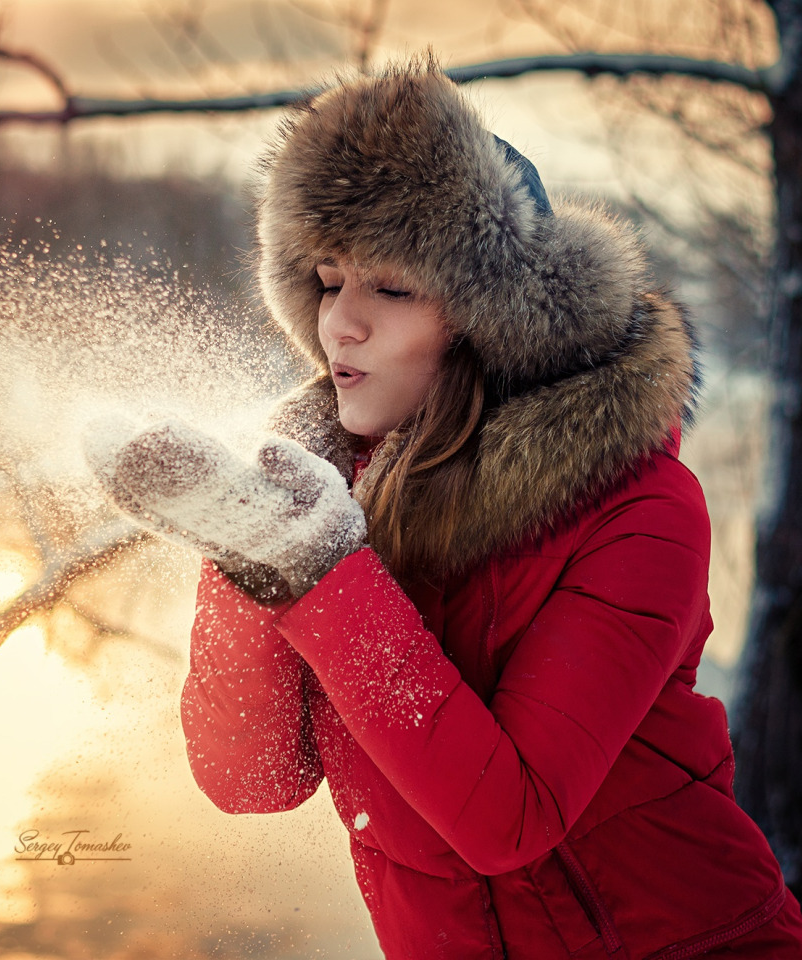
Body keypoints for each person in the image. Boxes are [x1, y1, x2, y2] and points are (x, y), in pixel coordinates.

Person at [84, 56, 802, 958]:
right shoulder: (322, 492)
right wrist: (247, 552)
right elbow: (252, 779)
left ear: (483, 317)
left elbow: (511, 820)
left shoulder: (640, 506)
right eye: (329, 278)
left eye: (390, 287)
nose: (339, 322)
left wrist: (316, 566)